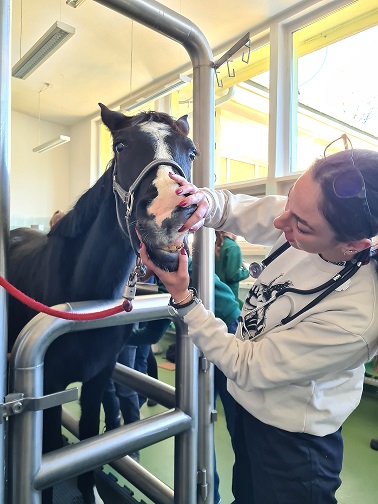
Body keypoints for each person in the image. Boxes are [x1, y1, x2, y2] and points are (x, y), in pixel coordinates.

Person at [138, 136, 378, 504]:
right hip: (250, 412)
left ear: (354, 246)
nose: (281, 221)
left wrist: (186, 301)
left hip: (294, 443)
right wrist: (202, 202)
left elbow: (246, 364)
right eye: (289, 203)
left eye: (300, 225)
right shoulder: (304, 216)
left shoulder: (357, 316)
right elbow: (235, 209)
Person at [215, 230, 249, 305]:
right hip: (228, 298)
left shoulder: (213, 245)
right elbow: (233, 276)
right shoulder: (233, 247)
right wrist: (246, 270)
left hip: (215, 296)